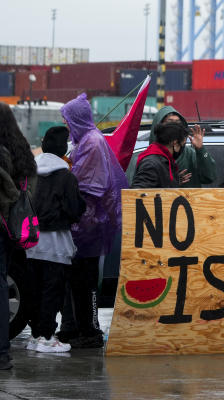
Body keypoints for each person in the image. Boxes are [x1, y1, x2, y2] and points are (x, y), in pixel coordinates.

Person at [58, 93, 127, 349]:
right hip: (82, 224)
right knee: (77, 281)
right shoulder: (84, 140)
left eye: (67, 120)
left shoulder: (92, 142)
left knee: (86, 282)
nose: (66, 125)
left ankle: (88, 331)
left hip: (89, 224)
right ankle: (75, 328)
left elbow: (90, 184)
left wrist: (67, 173)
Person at [25, 126, 85, 354]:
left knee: (35, 291)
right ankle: (48, 337)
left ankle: (35, 335)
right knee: (53, 291)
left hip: (31, 242)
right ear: (63, 149)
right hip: (57, 244)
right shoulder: (66, 177)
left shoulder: (31, 174)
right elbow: (74, 209)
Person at [0, 103, 36, 369]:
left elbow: (8, 192)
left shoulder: (1, 153)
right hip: (12, 227)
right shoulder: (21, 150)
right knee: (2, 286)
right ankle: (2, 351)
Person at [148, 106, 217, 186]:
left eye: (177, 123)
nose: (174, 126)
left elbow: (209, 177)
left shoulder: (190, 154)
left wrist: (201, 149)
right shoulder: (149, 158)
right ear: (159, 126)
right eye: (169, 122)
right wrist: (173, 182)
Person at [131, 120, 190, 189]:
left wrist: (173, 182)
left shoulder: (163, 160)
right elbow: (137, 194)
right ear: (175, 143)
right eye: (182, 145)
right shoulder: (151, 164)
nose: (182, 148)